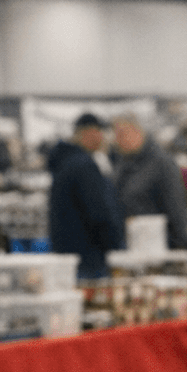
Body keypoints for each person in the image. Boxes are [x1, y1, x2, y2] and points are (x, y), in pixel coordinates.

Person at [47, 113, 123, 280]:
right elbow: (99, 214)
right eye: (100, 132)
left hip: (68, 257)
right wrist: (116, 247)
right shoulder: (83, 166)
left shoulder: (64, 161)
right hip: (88, 259)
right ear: (89, 133)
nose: (103, 138)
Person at [111, 114, 187, 250]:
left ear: (138, 132)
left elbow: (175, 206)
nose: (119, 140)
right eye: (117, 135)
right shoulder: (123, 163)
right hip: (130, 244)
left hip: (157, 245)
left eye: (123, 134)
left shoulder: (161, 164)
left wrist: (181, 244)